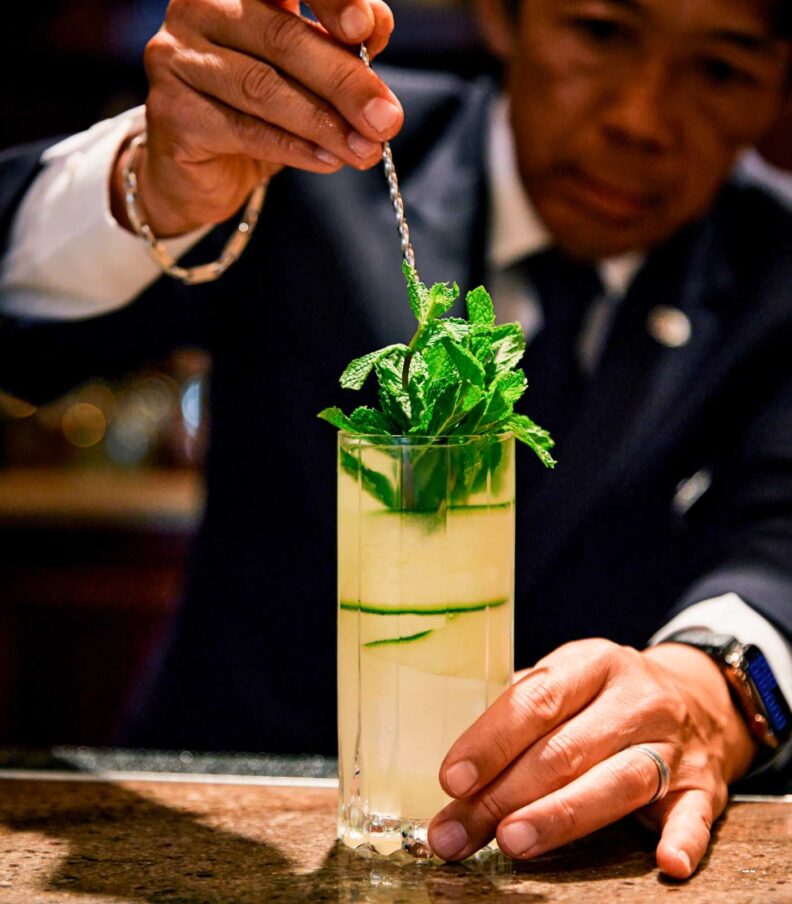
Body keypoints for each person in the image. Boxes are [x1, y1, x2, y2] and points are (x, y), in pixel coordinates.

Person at [1, 0, 792, 879]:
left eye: (722, 69)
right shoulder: (306, 159)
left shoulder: (777, 272)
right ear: (503, 17)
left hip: (583, 861)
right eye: (601, 33)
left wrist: (714, 691)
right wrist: (149, 184)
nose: (640, 120)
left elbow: (781, 538)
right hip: (231, 829)